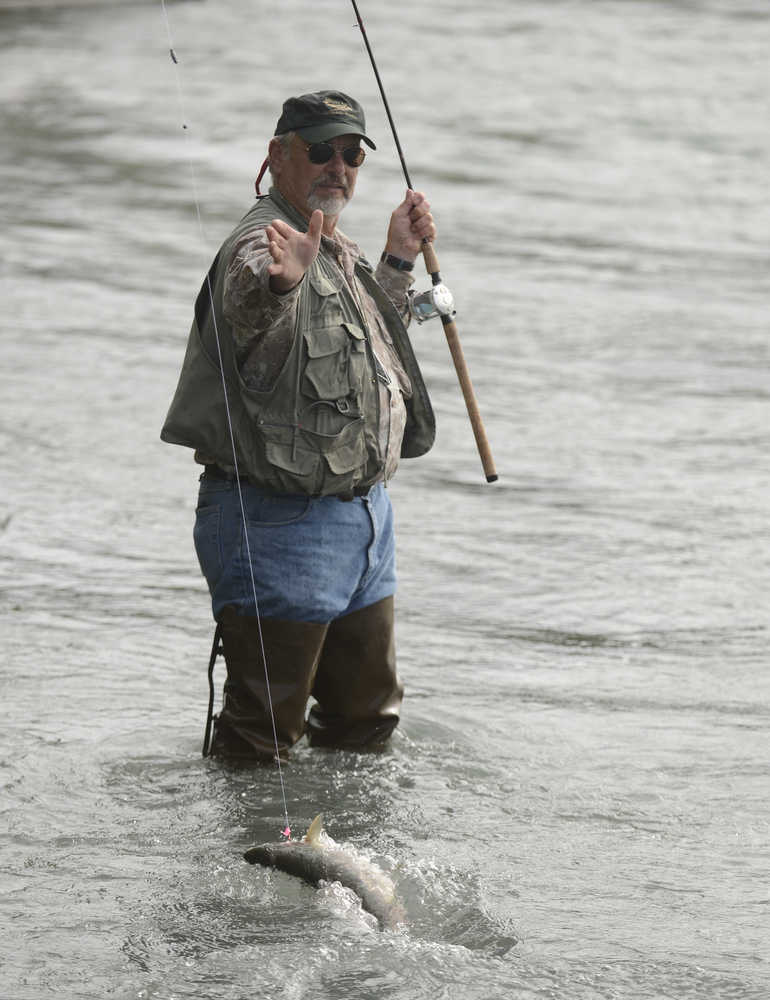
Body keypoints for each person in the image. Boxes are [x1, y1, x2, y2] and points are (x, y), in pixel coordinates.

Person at [161, 90, 436, 761]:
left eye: (350, 155)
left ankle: (346, 855)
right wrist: (280, 285)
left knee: (365, 726)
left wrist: (397, 261)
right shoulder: (267, 242)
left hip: (364, 527)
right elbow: (253, 310)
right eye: (319, 150)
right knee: (262, 743)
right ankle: (241, 858)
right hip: (277, 525)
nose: (337, 166)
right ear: (278, 156)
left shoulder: (331, 243)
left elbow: (362, 352)